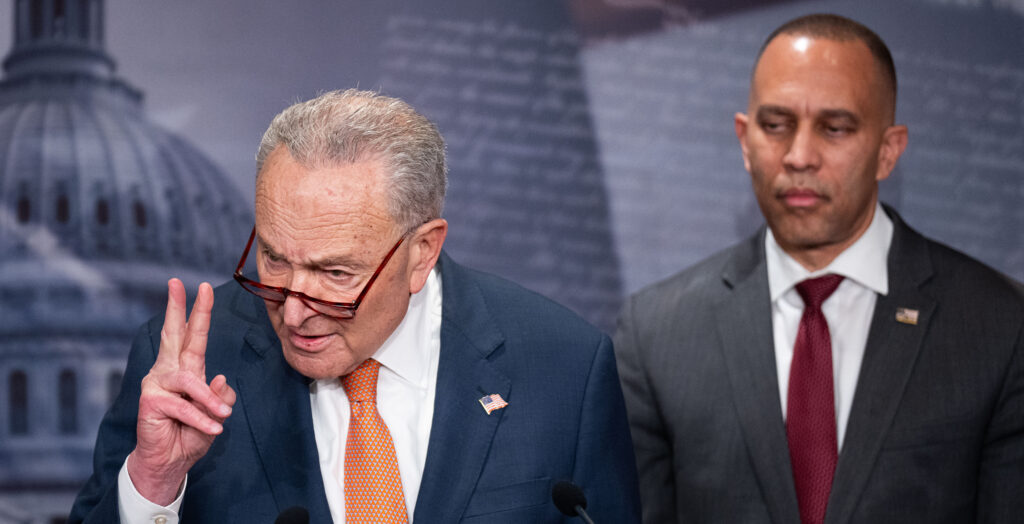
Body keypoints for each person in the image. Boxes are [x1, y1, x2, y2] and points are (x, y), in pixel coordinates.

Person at [70, 89, 641, 523]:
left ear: (422, 251)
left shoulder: (564, 368)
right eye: (273, 259)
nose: (293, 313)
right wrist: (153, 483)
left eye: (335, 273)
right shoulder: (188, 366)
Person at [613, 13, 1023, 524]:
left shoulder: (1001, 327)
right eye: (776, 125)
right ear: (744, 139)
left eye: (834, 128)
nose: (799, 156)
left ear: (888, 150)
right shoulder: (658, 333)